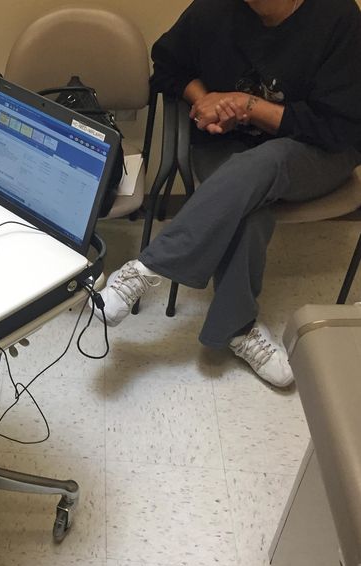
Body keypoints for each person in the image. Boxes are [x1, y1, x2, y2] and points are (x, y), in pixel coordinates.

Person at [94, 0, 361, 387]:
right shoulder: (213, 9)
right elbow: (169, 66)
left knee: (267, 162)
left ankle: (147, 268)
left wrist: (248, 107)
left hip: (314, 151)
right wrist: (204, 98)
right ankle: (237, 328)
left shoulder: (338, 17)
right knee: (249, 205)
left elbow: (337, 126)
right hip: (229, 147)